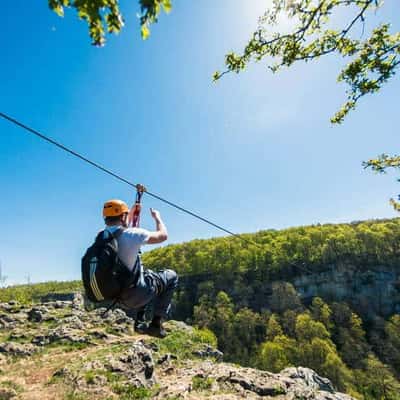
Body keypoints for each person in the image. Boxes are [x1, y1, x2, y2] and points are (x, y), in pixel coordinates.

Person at [102, 199, 178, 338]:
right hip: (137, 295)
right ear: (123, 217)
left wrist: (132, 211)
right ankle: (156, 324)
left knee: (146, 274)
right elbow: (163, 235)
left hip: (117, 298)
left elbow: (120, 229)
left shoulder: (101, 237)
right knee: (171, 276)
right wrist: (157, 218)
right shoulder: (133, 234)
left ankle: (139, 322)